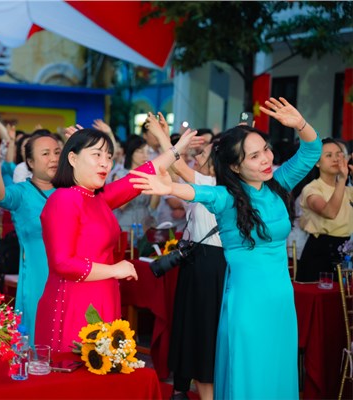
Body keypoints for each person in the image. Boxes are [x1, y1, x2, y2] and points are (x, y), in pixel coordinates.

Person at [130, 97, 322, 399]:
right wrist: (170, 188)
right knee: (249, 376)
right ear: (235, 165)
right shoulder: (227, 197)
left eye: (266, 150)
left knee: (277, 374)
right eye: (254, 156)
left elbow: (312, 151)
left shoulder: (279, 184)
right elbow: (199, 192)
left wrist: (300, 124)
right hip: (247, 302)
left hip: (282, 301)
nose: (266, 159)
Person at [35, 126, 195, 352]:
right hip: (74, 302)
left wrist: (175, 150)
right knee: (77, 368)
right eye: (96, 155)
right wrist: (114, 270)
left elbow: (138, 178)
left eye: (109, 157)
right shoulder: (64, 199)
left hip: (103, 295)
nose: (105, 163)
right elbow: (62, 262)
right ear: (72, 158)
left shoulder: (96, 198)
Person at [146, 112, 224, 400]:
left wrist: (162, 136)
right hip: (196, 260)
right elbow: (173, 166)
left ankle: (198, 385)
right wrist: (166, 140)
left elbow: (177, 165)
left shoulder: (213, 185)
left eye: (203, 153)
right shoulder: (205, 182)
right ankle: (181, 385)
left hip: (210, 264)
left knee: (201, 328)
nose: (197, 156)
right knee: (186, 323)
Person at [0, 128, 61, 344]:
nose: (54, 158)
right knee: (38, 334)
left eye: (57, 152)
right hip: (38, 275)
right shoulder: (22, 192)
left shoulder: (68, 191)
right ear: (30, 162)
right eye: (46, 154)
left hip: (68, 274)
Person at [296, 138, 352, 281]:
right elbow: (329, 212)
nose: (335, 159)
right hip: (319, 253)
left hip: (345, 252)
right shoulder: (312, 189)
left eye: (339, 154)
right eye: (328, 155)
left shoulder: (348, 190)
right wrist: (342, 179)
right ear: (317, 162)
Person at [112, 135, 157, 231]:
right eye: (140, 151)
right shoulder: (120, 175)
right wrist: (138, 181)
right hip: (126, 225)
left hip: (145, 224)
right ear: (131, 153)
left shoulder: (148, 175)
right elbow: (121, 206)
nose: (145, 156)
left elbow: (153, 206)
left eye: (147, 152)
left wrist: (157, 185)